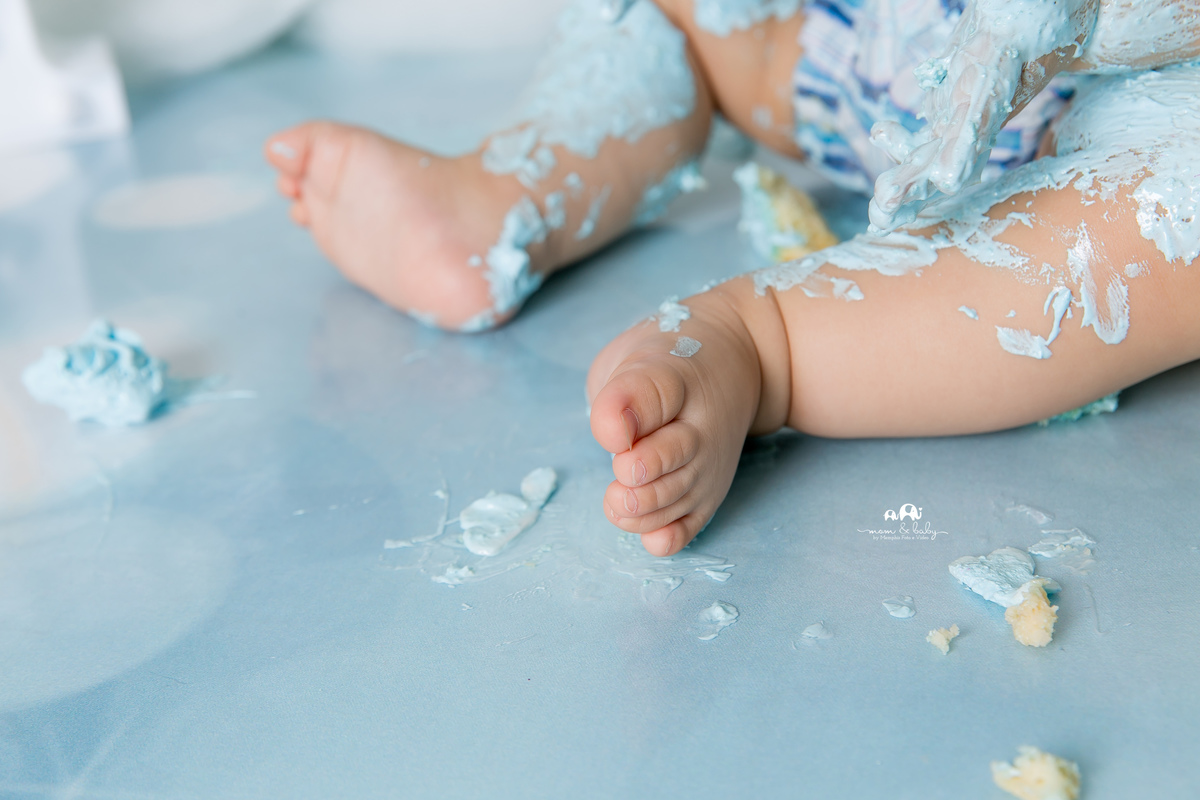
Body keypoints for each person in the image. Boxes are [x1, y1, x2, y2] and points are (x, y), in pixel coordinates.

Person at [265, 0, 1200, 555]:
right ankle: (511, 190)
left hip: (1150, 121)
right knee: (690, 13)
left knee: (1168, 228)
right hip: (892, 49)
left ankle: (771, 341)